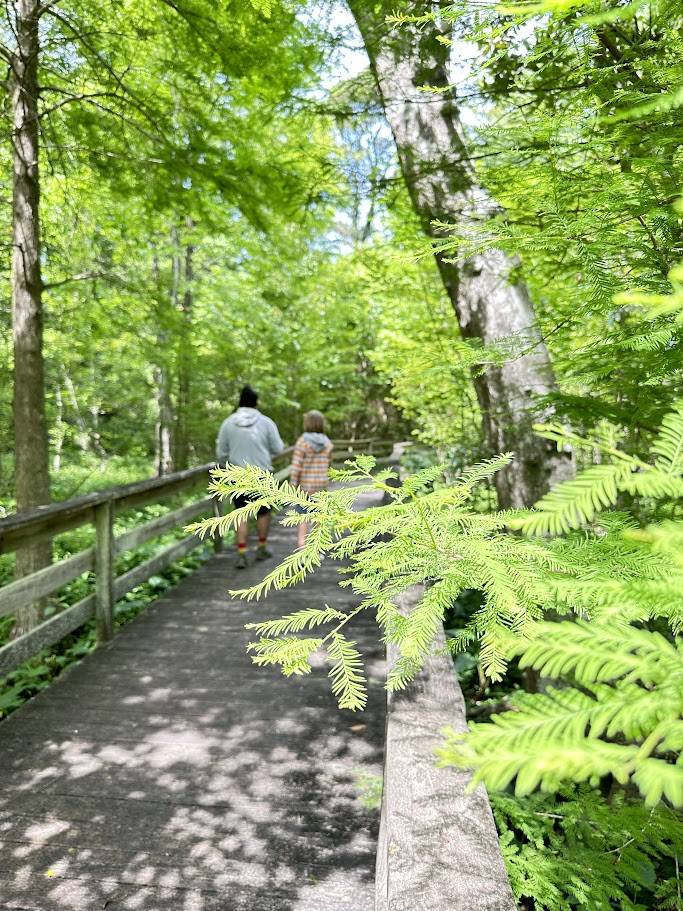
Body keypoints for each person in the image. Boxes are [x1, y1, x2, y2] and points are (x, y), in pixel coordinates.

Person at [216, 385, 285, 568]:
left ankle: (241, 552)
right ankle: (261, 547)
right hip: (262, 474)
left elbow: (221, 454)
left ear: (240, 401)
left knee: (240, 513)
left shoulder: (228, 423)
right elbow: (278, 448)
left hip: (237, 475)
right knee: (263, 513)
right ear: (256, 403)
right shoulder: (266, 422)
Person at [290, 410, 334, 548]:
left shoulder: (302, 442)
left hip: (305, 487)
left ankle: (302, 549)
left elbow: (296, 467)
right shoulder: (327, 443)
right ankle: (317, 550)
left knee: (303, 518)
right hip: (321, 486)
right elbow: (329, 465)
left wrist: (292, 486)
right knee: (319, 519)